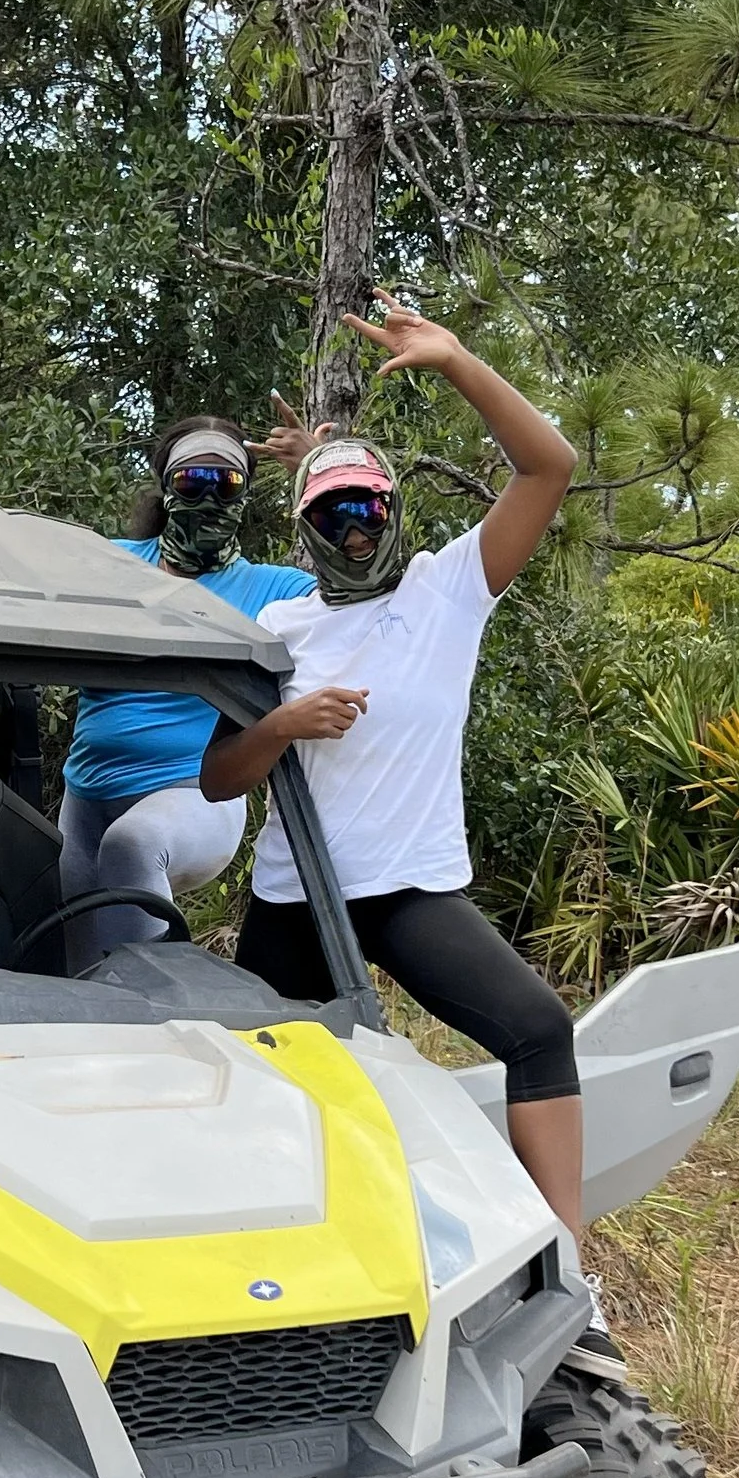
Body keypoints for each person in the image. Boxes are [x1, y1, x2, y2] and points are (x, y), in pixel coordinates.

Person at [199, 300, 598, 1266]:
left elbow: (550, 467)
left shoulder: (447, 589)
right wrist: (283, 723)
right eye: (330, 514)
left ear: (394, 513)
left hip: (411, 895)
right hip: (297, 901)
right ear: (303, 526)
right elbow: (218, 780)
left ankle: (565, 1267)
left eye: (366, 509)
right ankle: (260, 1262)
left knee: (540, 1030)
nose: (351, 532)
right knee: (250, 1085)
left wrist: (456, 359)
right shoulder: (280, 632)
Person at [58, 416, 313, 966]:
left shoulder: (277, 590)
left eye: (228, 484)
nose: (208, 496)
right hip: (85, 797)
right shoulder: (110, 563)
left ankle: (172, 1009)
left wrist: (316, 470)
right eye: (191, 480)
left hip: (193, 795)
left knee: (133, 846)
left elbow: (369, 587)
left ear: (247, 495)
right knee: (77, 968)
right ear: (166, 488)